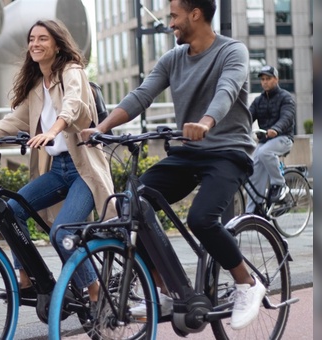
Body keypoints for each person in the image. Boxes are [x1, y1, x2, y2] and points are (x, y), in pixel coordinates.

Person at [81, 0, 265, 330]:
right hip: (188, 152)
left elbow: (226, 90)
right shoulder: (173, 58)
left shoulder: (232, 52)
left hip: (228, 152)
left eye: (174, 16)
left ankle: (246, 284)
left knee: (202, 218)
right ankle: (164, 290)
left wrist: (206, 121)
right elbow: (141, 95)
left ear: (196, 14)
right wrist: (102, 128)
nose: (171, 23)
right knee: (132, 203)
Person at [0, 20, 116, 309]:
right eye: (32, 39)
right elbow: (16, 119)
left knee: (63, 232)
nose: (35, 44)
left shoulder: (72, 72)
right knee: (10, 212)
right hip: (57, 171)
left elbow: (74, 105)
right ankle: (29, 279)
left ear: (57, 45)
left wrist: (54, 130)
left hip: (84, 171)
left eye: (43, 38)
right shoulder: (37, 88)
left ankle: (95, 292)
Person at [246, 65, 296, 212]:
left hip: (284, 138)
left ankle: (279, 185)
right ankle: (253, 212)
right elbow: (247, 117)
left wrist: (276, 129)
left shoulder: (286, 98)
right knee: (253, 170)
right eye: (262, 79)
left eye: (268, 79)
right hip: (265, 141)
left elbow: (287, 117)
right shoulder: (258, 101)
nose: (265, 82)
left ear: (276, 79)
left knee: (264, 153)